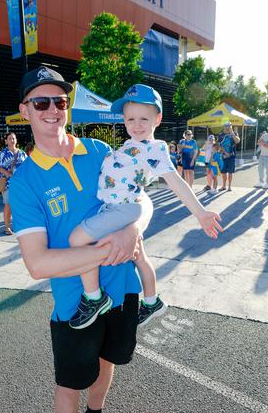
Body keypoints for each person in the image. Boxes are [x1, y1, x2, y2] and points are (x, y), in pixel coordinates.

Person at [10, 67, 152, 413]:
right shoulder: (24, 182)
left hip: (123, 291)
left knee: (107, 363)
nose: (52, 110)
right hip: (77, 305)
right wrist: (108, 249)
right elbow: (37, 264)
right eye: (40, 103)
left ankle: (97, 411)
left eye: (59, 101)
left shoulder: (100, 150)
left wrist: (133, 230)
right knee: (70, 386)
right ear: (24, 110)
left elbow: (142, 200)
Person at [68, 84, 223, 331]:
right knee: (140, 256)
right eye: (130, 118)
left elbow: (176, 182)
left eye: (144, 118)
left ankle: (94, 298)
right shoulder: (132, 145)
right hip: (121, 208)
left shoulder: (155, 148)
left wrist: (200, 212)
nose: (137, 124)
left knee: (77, 239)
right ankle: (151, 301)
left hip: (122, 209)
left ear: (157, 119)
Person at [0, 132, 27, 235]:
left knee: (20, 205)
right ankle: (7, 227)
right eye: (9, 138)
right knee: (8, 205)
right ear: (6, 141)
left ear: (16, 140)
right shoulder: (3, 153)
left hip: (20, 184)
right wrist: (10, 175)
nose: (12, 140)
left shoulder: (21, 153)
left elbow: (27, 167)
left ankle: (19, 225)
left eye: (13, 138)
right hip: (8, 184)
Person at [217, 122, 240, 191]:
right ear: (223, 126)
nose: (228, 127)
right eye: (226, 126)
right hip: (223, 156)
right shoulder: (221, 135)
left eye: (229, 126)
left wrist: (232, 132)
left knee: (230, 172)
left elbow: (237, 141)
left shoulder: (234, 133)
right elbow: (219, 145)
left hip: (231, 156)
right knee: (223, 172)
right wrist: (224, 152)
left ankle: (229, 186)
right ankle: (224, 186)